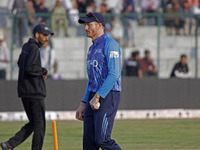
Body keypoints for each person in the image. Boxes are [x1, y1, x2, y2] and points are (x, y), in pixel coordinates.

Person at [0, 24, 53, 150]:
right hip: (34, 92)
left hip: (24, 91)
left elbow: (20, 63)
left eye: (48, 36)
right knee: (40, 125)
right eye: (44, 35)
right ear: (37, 35)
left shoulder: (26, 46)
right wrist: (43, 71)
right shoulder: (34, 48)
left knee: (34, 123)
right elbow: (30, 68)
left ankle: (10, 144)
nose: (47, 38)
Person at [75, 12, 122, 150]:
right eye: (85, 25)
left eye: (89, 25)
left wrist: (97, 97)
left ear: (100, 26)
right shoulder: (91, 48)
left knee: (102, 140)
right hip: (93, 96)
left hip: (108, 94)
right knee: (89, 143)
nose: (85, 28)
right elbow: (92, 80)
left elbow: (114, 74)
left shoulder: (111, 44)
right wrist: (83, 102)